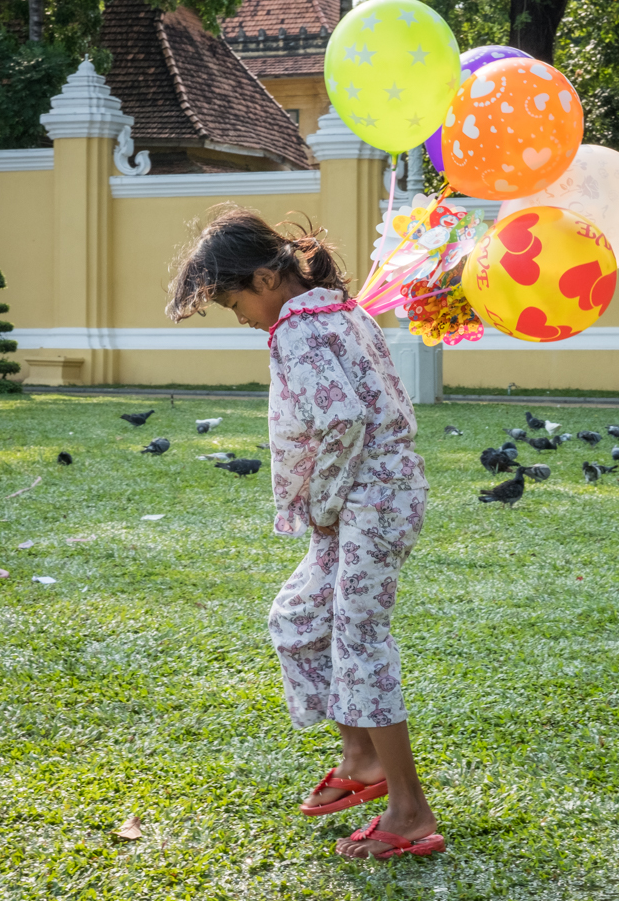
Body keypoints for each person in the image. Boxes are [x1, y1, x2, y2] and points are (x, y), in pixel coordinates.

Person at [167, 208, 443, 861]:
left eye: (235, 302)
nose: (238, 317)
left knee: (359, 639)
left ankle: (409, 810)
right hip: (366, 494)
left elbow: (343, 422)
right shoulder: (334, 311)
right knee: (296, 615)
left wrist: (320, 503)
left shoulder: (299, 329)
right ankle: (362, 761)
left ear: (266, 277)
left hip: (366, 496)